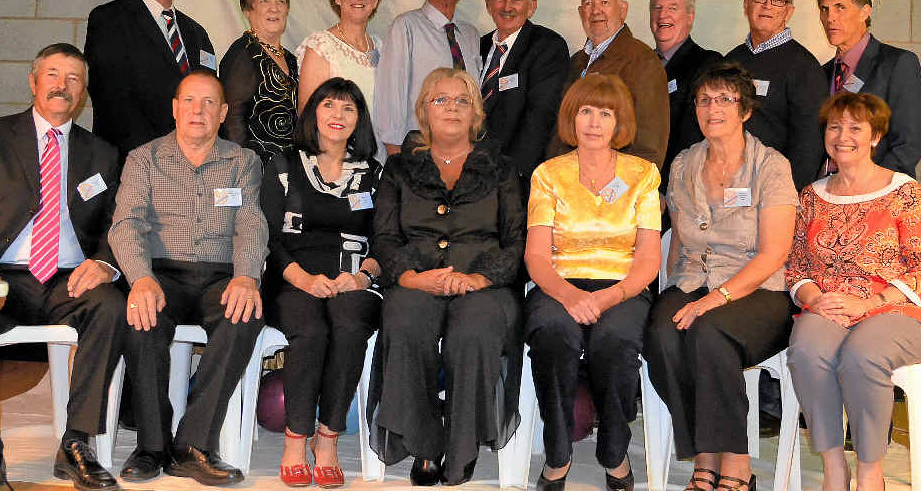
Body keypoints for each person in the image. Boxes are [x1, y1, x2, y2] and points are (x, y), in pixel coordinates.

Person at [0, 43, 124, 491]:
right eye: (53, 75)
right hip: (1, 274)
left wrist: (104, 263)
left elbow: (121, 223)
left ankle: (76, 443)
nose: (63, 86)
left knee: (112, 306)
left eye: (74, 79)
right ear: (34, 82)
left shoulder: (102, 153)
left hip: (69, 279)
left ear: (83, 92)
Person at [786, 92, 921, 491]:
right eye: (834, 126)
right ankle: (833, 469)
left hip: (899, 308)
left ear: (876, 136)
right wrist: (814, 299)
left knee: (864, 355)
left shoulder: (905, 192)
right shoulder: (812, 196)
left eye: (855, 128)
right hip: (831, 306)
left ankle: (869, 472)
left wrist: (872, 302)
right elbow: (795, 267)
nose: (843, 136)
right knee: (807, 351)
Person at [643, 63, 799, 491]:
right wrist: (672, 291)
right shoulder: (683, 163)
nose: (713, 108)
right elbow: (676, 239)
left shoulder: (771, 167)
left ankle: (736, 465)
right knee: (660, 333)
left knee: (710, 333)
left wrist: (719, 297)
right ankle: (705, 455)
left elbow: (774, 253)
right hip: (694, 279)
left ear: (745, 110)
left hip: (759, 289)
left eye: (725, 99)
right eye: (704, 100)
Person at [109, 70, 267, 486]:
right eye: (190, 101)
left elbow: (251, 222)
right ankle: (151, 445)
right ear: (175, 108)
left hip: (222, 276)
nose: (199, 110)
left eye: (209, 102)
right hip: (161, 274)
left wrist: (248, 276)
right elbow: (126, 224)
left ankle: (193, 445)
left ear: (223, 113)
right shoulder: (144, 158)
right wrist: (140, 278)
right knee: (141, 321)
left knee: (244, 316)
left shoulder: (243, 161)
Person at [368, 68, 526, 486]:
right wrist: (410, 278)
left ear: (476, 111)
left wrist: (479, 279)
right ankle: (425, 444)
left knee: (472, 332)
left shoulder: (501, 168)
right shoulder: (400, 168)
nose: (451, 108)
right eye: (440, 100)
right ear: (424, 110)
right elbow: (383, 238)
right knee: (406, 321)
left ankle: (462, 445)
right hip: (417, 279)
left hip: (484, 283)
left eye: (461, 100)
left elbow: (516, 242)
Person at [525, 74, 662, 491]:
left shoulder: (643, 175)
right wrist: (569, 295)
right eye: (586, 111)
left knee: (616, 342)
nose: (595, 122)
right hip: (558, 283)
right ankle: (558, 453)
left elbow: (649, 258)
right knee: (552, 333)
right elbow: (535, 256)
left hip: (622, 286)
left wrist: (608, 297)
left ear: (620, 122)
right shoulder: (548, 174)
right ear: (572, 117)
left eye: (606, 113)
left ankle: (614, 452)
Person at [259, 78, 383, 488]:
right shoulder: (283, 164)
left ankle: (326, 438)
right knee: (309, 331)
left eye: (348, 109)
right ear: (313, 113)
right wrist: (303, 278)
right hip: (293, 275)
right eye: (329, 105)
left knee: (349, 329)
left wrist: (362, 276)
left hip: (353, 277)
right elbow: (268, 236)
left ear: (358, 120)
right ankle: (295, 439)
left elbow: (387, 240)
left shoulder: (374, 173)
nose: (337, 116)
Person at [85, 0, 215, 158]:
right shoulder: (109, 19)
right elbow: (110, 98)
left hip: (195, 161)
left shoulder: (197, 33)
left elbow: (211, 96)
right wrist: (158, 157)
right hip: (137, 163)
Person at [373, 0, 482, 155]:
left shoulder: (470, 35)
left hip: (464, 152)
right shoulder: (405, 27)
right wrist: (397, 158)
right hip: (418, 150)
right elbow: (391, 98)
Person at [549, 0, 669, 170]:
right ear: (581, 12)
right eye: (588, 3)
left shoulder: (642, 61)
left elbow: (649, 146)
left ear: (623, 10)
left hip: (610, 191)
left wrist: (617, 192)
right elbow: (559, 131)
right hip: (568, 183)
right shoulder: (576, 62)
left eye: (605, 2)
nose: (596, 10)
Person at [724, 0, 827, 191]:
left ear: (789, 11)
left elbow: (808, 147)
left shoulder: (804, 68)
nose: (767, 5)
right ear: (746, 4)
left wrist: (784, 197)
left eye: (778, 0)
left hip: (772, 194)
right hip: (725, 187)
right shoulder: (729, 61)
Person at [816, 0, 921, 177]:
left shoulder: (898, 63)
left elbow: (908, 145)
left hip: (880, 192)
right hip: (829, 191)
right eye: (825, 9)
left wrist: (869, 188)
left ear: (864, 12)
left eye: (840, 7)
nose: (830, 18)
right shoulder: (822, 73)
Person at [479, 0, 570, 192]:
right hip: (472, 172)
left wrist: (511, 177)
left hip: (515, 179)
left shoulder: (547, 47)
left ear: (531, 7)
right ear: (488, 4)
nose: (507, 7)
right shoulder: (477, 46)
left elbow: (540, 118)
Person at [648, 0, 722, 188]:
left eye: (673, 8)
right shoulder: (640, 63)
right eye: (657, 8)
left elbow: (694, 135)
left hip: (680, 187)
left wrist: (665, 188)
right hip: (639, 183)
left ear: (690, 17)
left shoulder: (707, 63)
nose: (663, 15)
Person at [219, 0, 299, 163]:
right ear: (248, 10)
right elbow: (232, 120)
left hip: (290, 169)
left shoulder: (291, 59)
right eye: (264, 1)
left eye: (280, 1)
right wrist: (243, 169)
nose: (274, 9)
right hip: (255, 169)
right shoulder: (244, 53)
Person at [296, 0, 386, 114]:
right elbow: (307, 115)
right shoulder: (321, 46)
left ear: (376, 0)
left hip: (376, 139)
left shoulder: (381, 48)